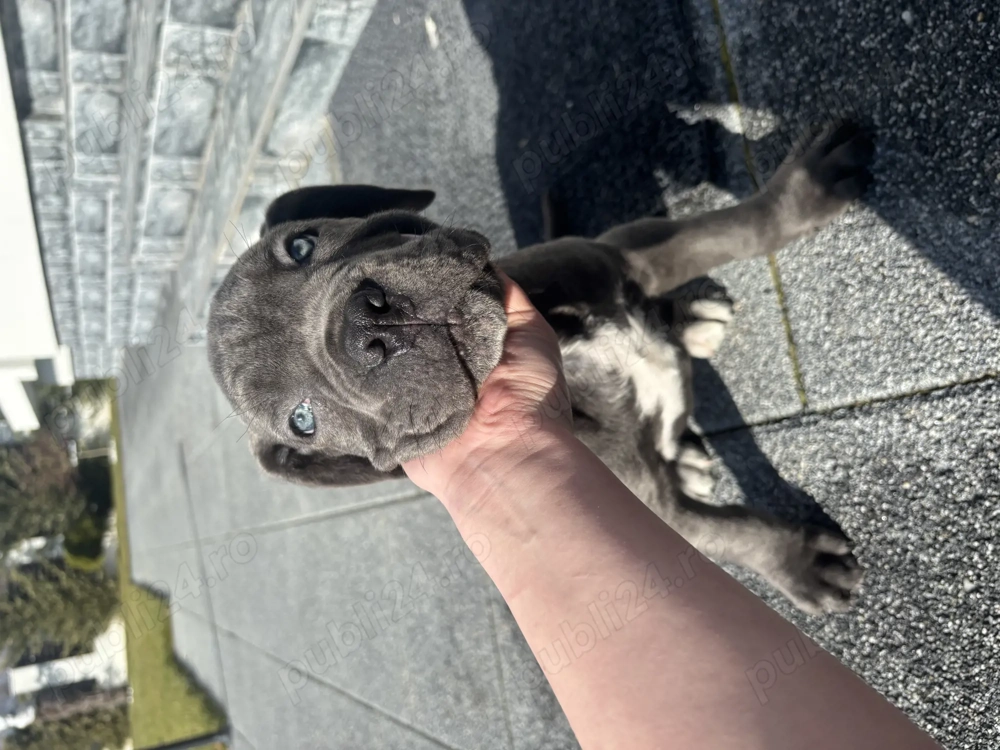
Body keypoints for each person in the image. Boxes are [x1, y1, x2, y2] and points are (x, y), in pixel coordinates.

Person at [403, 272, 941, 750]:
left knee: (607, 275)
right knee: (630, 511)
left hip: (602, 341)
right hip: (611, 424)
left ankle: (665, 320)